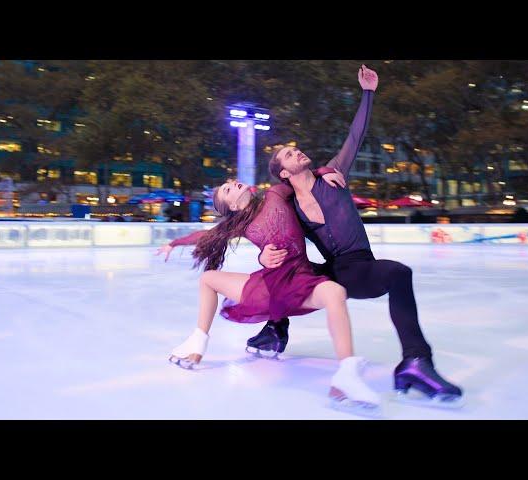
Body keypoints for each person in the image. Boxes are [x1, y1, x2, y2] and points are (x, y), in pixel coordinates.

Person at [254, 64, 463, 407]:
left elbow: (356, 135)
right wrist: (265, 256)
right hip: (332, 269)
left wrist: (368, 93)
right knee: (278, 274)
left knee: (398, 273)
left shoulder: (333, 175)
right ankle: (274, 332)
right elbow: (273, 236)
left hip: (359, 268)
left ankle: (416, 360)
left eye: (295, 149)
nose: (298, 151)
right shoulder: (286, 202)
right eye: (289, 155)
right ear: (284, 172)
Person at [157, 170, 381, 416]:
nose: (233, 183)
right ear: (231, 205)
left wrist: (324, 172)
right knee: (208, 278)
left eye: (231, 182)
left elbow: (300, 180)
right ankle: (197, 343)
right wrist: (173, 243)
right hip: (269, 286)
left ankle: (346, 375)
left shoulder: (275, 194)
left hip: (300, 278)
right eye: (228, 189)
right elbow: (205, 236)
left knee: (335, 292)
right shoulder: (238, 224)